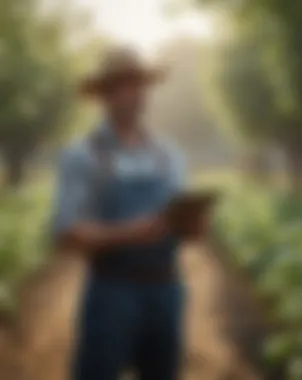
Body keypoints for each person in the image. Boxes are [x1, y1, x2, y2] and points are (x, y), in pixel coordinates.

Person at [51, 46, 209, 380]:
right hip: (112, 292)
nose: (134, 93)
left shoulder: (169, 156)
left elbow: (184, 227)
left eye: (139, 84)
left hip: (167, 290)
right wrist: (130, 233)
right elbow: (66, 232)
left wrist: (194, 226)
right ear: (105, 95)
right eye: (124, 85)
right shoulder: (82, 156)